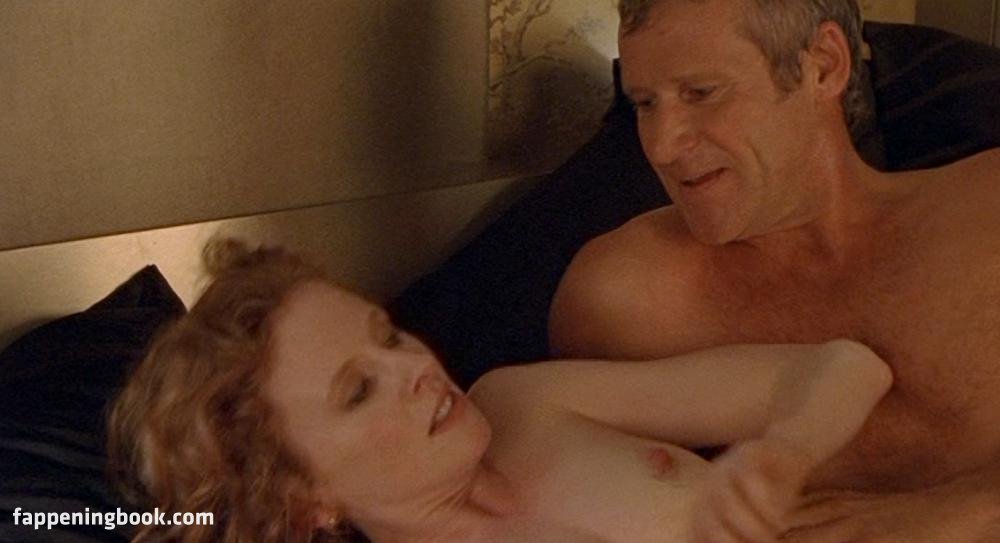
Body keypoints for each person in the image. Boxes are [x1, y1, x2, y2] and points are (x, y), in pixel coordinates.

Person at [548, 0, 1000, 541]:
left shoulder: (985, 211)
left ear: (824, 66)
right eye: (644, 103)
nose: (663, 146)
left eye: (701, 93)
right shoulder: (624, 298)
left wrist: (966, 511)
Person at [108, 239, 891, 543]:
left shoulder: (524, 404)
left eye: (389, 335)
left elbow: (846, 366)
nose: (416, 366)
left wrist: (787, 451)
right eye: (358, 391)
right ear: (303, 496)